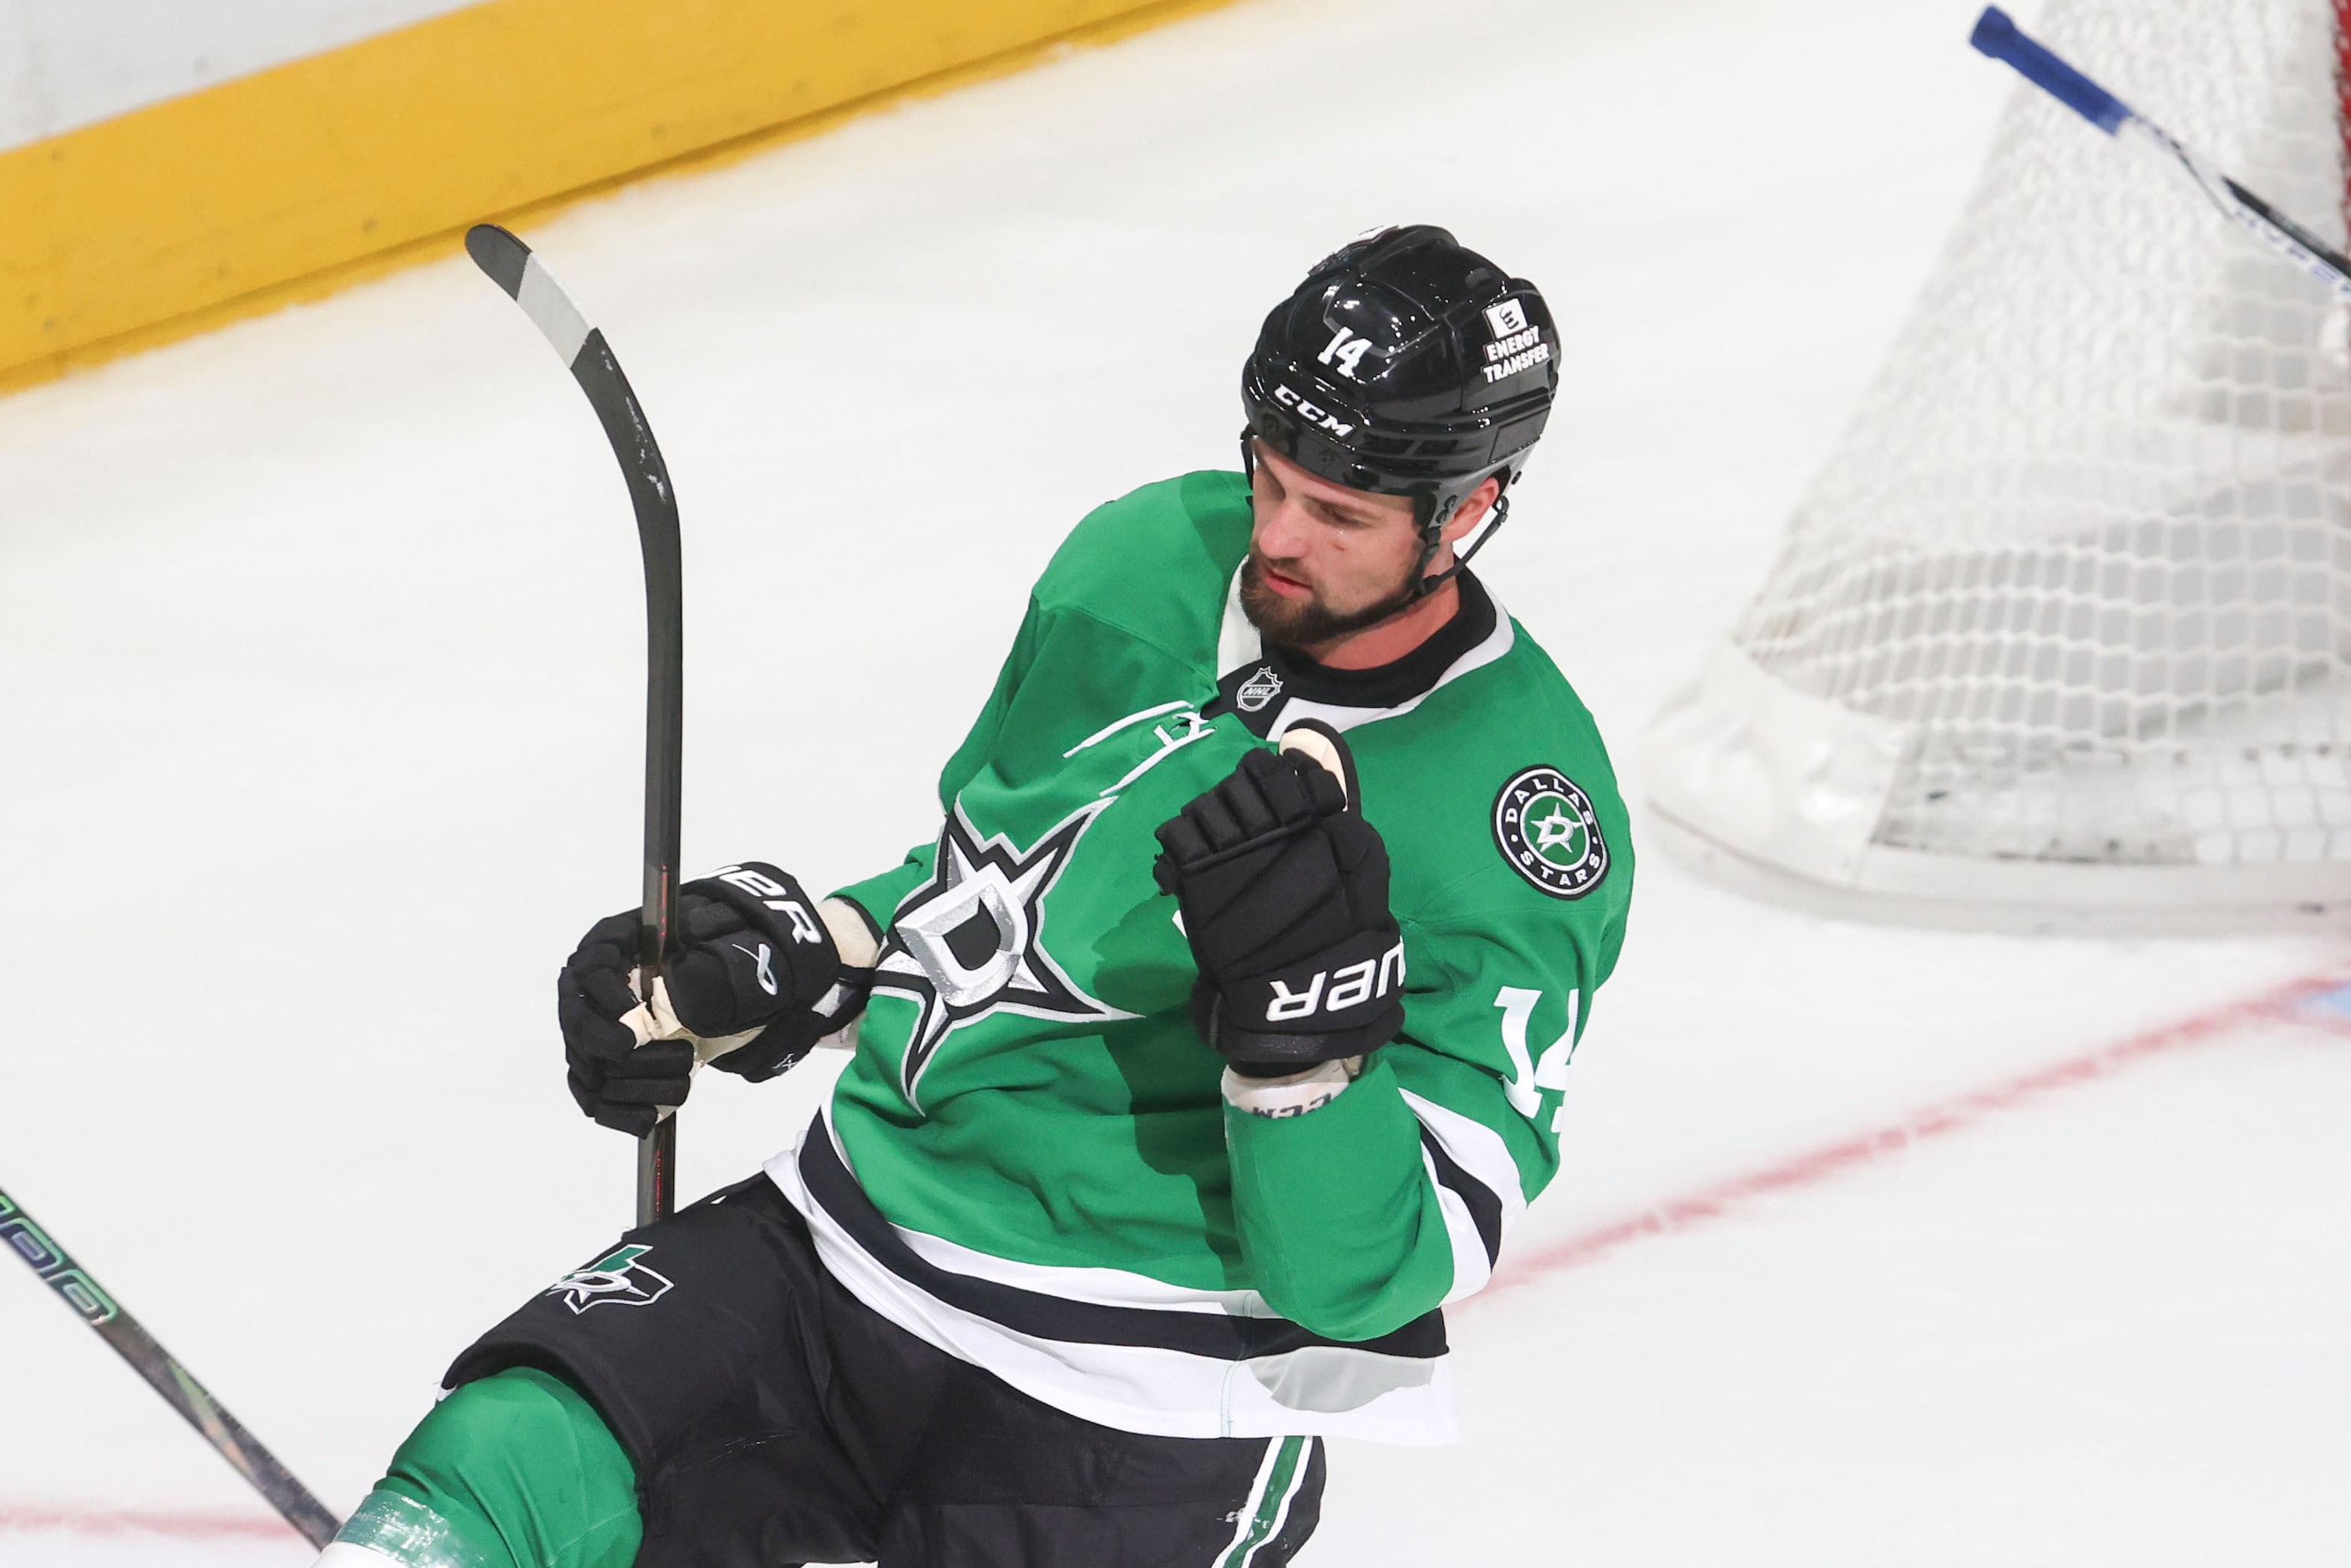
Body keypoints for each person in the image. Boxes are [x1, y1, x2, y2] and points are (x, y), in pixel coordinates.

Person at [318, 225, 1632, 1568]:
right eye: (1269, 476)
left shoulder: (1520, 812)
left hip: (1146, 1403)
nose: (1278, 537)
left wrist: (1299, 1050)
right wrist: (799, 953)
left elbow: (1384, 1268)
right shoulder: (1139, 557)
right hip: (848, 1242)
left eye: (1340, 516)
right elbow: (986, 876)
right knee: (500, 1462)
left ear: (1465, 513)